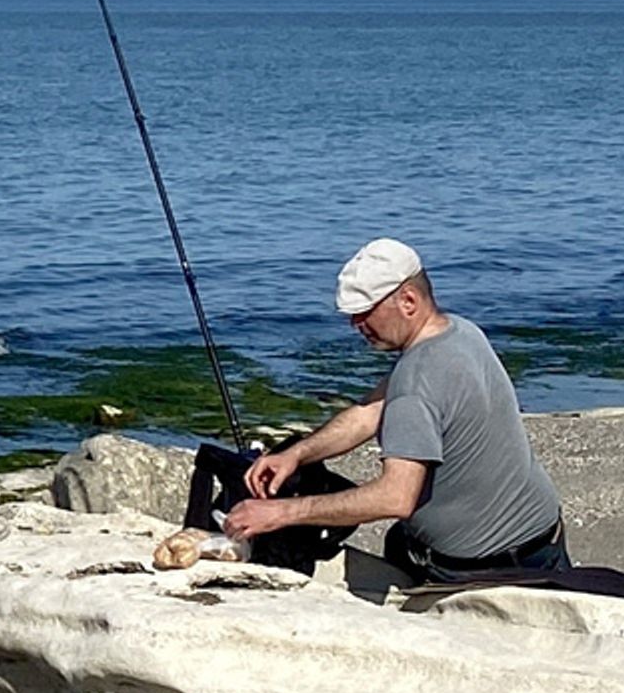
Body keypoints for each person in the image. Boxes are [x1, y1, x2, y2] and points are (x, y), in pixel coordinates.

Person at [224, 237, 568, 583]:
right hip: (542, 536)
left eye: (364, 311)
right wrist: (297, 455)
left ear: (408, 301)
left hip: (486, 567)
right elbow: (369, 412)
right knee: (398, 541)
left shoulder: (415, 385)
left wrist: (281, 512)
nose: (355, 324)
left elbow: (395, 498)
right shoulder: (459, 332)